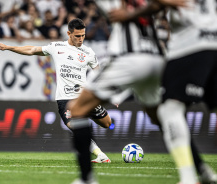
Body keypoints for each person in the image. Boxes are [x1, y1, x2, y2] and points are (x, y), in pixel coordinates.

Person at [0, 18, 112, 168]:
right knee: (76, 127)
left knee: (107, 123)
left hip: (84, 97)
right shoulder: (57, 47)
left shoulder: (88, 52)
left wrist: (108, 92)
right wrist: (9, 47)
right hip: (65, 99)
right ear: (69, 33)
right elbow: (31, 50)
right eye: (77, 36)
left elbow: (98, 74)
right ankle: (100, 154)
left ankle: (98, 152)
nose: (81, 39)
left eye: (83, 35)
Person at [67, 1, 165, 183]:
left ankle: (87, 178)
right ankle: (197, 169)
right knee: (165, 117)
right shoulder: (148, 4)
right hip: (157, 57)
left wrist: (127, 16)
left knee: (77, 109)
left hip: (129, 58)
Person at [152, 0, 217, 183]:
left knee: (170, 109)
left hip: (191, 43)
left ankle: (188, 178)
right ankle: (202, 171)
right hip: (213, 40)